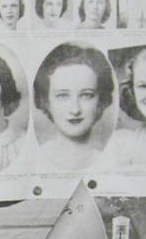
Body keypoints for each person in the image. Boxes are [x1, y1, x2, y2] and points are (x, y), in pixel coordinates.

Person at [33, 42, 115, 171]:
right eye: (62, 96)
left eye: (86, 95)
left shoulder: (111, 162)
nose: (75, 110)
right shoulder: (33, 159)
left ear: (101, 100)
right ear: (45, 101)